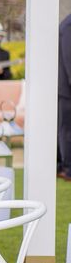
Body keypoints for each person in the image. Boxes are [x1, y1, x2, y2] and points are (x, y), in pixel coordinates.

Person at [59, 12, 71, 181]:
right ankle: (68, 168)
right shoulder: (69, 25)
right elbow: (69, 58)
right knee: (67, 129)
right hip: (66, 89)